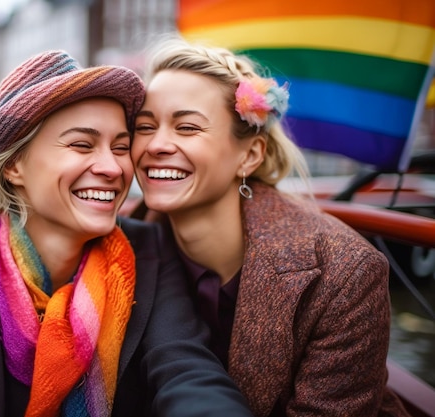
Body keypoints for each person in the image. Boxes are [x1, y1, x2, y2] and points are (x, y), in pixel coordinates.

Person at [0, 50, 253, 417]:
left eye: (121, 147)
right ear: (14, 166)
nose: (112, 167)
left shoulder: (149, 248)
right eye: (81, 145)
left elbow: (186, 370)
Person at [131, 36, 411, 417]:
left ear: (249, 155)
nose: (156, 144)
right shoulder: (124, 240)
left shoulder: (344, 273)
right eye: (144, 127)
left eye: (187, 128)